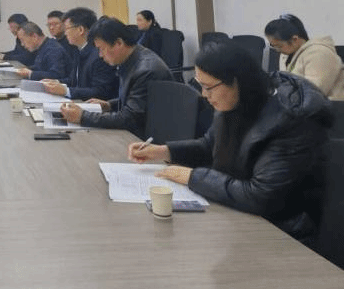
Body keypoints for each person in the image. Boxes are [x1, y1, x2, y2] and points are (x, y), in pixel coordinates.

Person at [127, 42, 332, 242]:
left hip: (282, 233)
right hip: (238, 215)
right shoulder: (237, 103)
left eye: (209, 87)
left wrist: (191, 176)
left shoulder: (291, 122)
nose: (204, 95)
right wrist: (163, 151)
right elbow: (210, 146)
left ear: (237, 82)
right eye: (201, 85)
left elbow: (260, 196)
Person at [59, 16, 172, 138]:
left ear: (119, 43)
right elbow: (136, 100)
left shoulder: (146, 71)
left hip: (148, 138)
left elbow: (130, 118)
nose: (100, 55)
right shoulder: (132, 57)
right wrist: (109, 105)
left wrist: (83, 116)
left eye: (101, 49)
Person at [41, 7, 118, 101]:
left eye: (67, 28)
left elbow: (101, 92)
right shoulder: (79, 49)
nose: (65, 33)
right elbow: (74, 80)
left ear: (80, 30)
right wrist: (55, 82)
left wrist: (66, 91)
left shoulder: (100, 54)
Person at [264, 13, 344, 100]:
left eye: (279, 46)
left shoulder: (319, 53)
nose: (277, 50)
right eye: (273, 46)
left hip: (329, 105)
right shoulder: (288, 55)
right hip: (299, 104)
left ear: (295, 39)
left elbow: (314, 93)